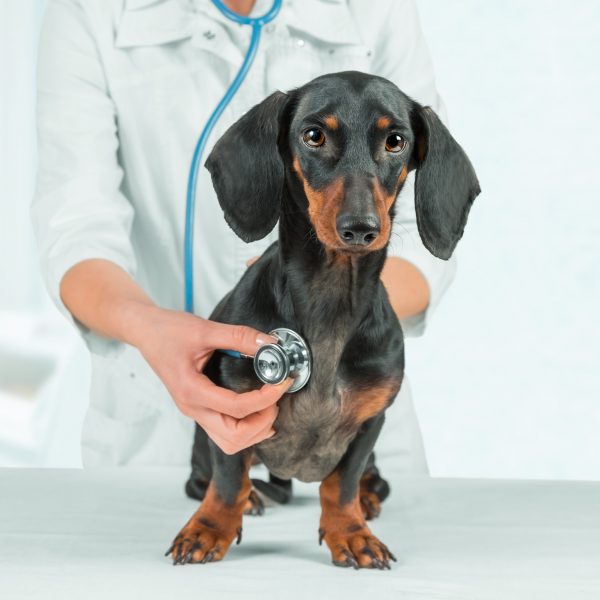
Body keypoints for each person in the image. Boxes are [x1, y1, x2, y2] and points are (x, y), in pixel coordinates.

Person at [32, 0, 455, 471]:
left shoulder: (376, 8)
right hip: (160, 430)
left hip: (353, 427)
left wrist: (323, 307)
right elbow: (78, 228)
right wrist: (150, 329)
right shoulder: (90, 10)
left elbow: (425, 228)